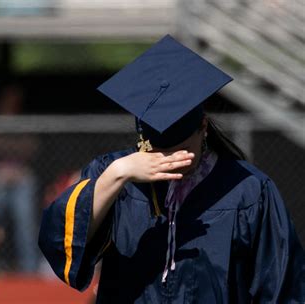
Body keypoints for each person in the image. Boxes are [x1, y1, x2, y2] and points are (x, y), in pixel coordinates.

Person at [38, 35, 304, 303]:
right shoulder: (114, 174)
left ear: (203, 128)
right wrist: (118, 174)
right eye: (157, 151)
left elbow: (282, 287)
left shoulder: (248, 191)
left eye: (180, 150)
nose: (168, 161)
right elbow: (62, 242)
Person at [0, 84, 40, 273]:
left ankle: (29, 269)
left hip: (21, 178)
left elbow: (30, 149)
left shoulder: (24, 122)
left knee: (25, 223)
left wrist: (8, 146)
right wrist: (10, 146)